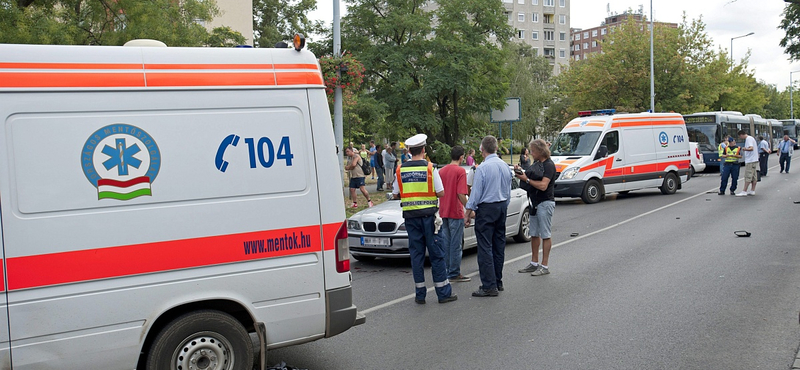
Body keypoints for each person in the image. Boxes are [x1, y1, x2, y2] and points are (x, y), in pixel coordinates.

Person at [393, 134, 456, 304]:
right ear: (423, 149)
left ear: (409, 151)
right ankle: (443, 293)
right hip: (429, 218)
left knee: (416, 255)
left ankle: (420, 295)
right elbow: (441, 192)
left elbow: (395, 193)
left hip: (411, 219)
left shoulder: (400, 169)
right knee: (436, 254)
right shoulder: (430, 168)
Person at [464, 136, 511, 297]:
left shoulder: (483, 168)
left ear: (482, 150)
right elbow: (508, 190)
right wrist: (504, 205)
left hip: (486, 208)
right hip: (501, 206)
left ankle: (489, 285)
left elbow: (475, 194)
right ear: (496, 148)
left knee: (485, 247)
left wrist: (468, 213)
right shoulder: (505, 166)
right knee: (499, 245)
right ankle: (498, 281)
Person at [515, 139, 557, 277]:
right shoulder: (538, 164)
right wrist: (520, 172)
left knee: (545, 234)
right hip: (534, 202)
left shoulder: (549, 165)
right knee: (534, 233)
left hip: (545, 202)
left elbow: (543, 186)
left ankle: (544, 265)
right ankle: (534, 263)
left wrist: (526, 180)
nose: (531, 153)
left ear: (540, 151)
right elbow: (529, 175)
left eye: (533, 151)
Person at [439, 146, 470, 283]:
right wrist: (469, 209)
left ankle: (446, 269)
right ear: (462, 157)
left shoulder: (442, 171)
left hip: (443, 210)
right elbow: (461, 193)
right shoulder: (460, 171)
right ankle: (454, 272)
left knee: (446, 242)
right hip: (455, 211)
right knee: (456, 244)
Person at [736, 130, 758, 196]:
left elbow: (751, 148)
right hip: (754, 159)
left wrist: (744, 149)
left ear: (741, 135)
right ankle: (752, 190)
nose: (740, 138)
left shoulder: (748, 139)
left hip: (750, 160)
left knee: (748, 175)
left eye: (740, 136)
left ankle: (744, 191)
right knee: (754, 176)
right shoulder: (751, 138)